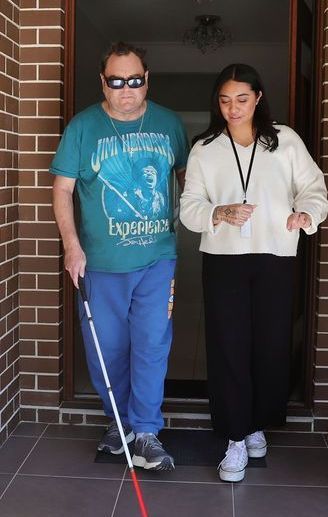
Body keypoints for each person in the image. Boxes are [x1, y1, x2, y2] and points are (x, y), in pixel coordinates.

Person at [180, 63, 328, 482]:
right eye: (225, 100)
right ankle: (234, 437)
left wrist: (306, 214)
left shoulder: (285, 142)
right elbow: (189, 207)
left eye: (242, 99)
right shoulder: (205, 148)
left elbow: (314, 189)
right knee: (229, 346)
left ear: (258, 98)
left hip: (276, 256)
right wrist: (218, 211)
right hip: (224, 260)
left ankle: (257, 423)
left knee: (269, 344)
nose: (233, 108)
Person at [51, 41, 189, 471]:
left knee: (151, 345)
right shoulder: (82, 127)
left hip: (157, 258)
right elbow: (62, 189)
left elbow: (186, 179)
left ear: (146, 80)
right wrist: (72, 246)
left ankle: (146, 431)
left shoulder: (168, 124)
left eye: (134, 80)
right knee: (106, 349)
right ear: (103, 83)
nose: (126, 89)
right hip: (100, 262)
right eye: (116, 81)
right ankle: (118, 423)